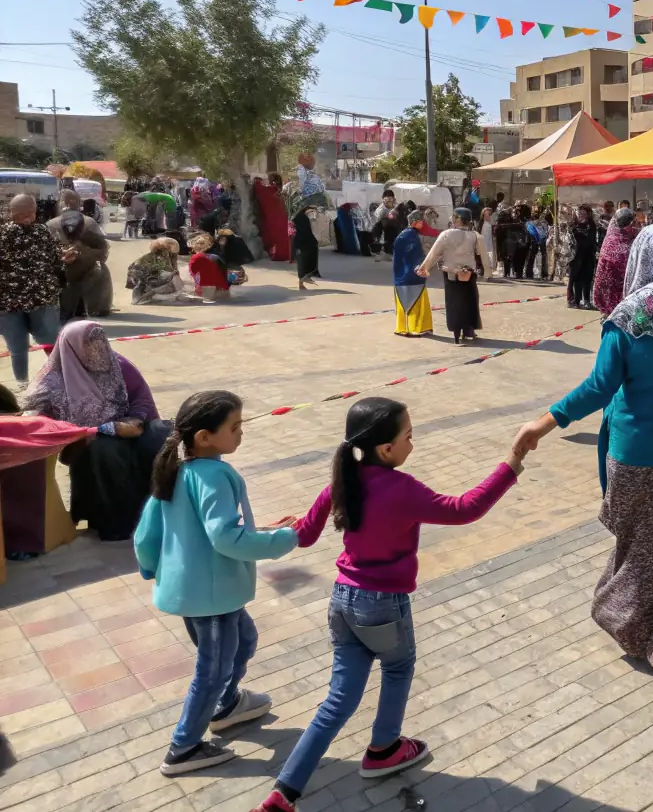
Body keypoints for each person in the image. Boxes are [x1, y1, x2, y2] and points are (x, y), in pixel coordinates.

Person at [248, 398, 520, 811]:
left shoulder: (342, 482)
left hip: (342, 602)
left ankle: (283, 792)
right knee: (397, 666)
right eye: (408, 435)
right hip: (382, 605)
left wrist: (274, 530)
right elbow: (465, 509)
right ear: (386, 449)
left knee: (338, 699)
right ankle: (383, 749)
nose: (413, 442)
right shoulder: (402, 489)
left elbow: (304, 536)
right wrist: (510, 465)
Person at [512, 221, 653, 681]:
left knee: (642, 552)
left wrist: (544, 423)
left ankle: (638, 632)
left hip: (635, 460)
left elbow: (599, 387)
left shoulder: (629, 317)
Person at [134, 391, 298, 775]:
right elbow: (226, 537)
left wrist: (152, 569)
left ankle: (225, 706)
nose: (241, 433)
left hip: (195, 591)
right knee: (213, 667)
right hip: (212, 597)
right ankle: (184, 747)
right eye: (235, 427)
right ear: (205, 436)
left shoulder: (179, 470)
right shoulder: (215, 475)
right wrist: (284, 540)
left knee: (244, 641)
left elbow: (145, 535)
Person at [23, 320, 171, 540]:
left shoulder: (118, 364)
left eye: (101, 342)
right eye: (90, 345)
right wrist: (105, 429)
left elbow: (141, 397)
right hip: (86, 441)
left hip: (129, 427)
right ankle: (119, 524)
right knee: (106, 448)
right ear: (72, 348)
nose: (99, 350)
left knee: (162, 434)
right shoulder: (51, 383)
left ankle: (163, 512)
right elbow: (43, 426)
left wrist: (135, 421)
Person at [0, 193, 63, 388]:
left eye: (30, 212)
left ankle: (43, 384)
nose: (28, 216)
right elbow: (55, 260)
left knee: (37, 347)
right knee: (34, 347)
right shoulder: (9, 234)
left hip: (25, 301)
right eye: (24, 213)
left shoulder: (39, 232)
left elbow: (54, 258)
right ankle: (35, 385)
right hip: (23, 302)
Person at [417, 208, 484, 342]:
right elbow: (482, 255)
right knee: (470, 301)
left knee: (454, 302)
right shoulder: (475, 235)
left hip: (451, 273)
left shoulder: (446, 234)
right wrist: (487, 272)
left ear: (457, 218)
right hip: (469, 273)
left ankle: (456, 332)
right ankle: (468, 330)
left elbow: (434, 253)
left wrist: (424, 267)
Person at [47, 189, 113, 319]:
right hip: (77, 272)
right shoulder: (89, 222)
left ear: (63, 203)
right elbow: (103, 252)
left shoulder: (51, 224)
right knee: (100, 269)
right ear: (77, 203)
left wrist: (74, 254)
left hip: (68, 272)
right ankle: (96, 308)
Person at [592, 206, 641, 316]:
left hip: (610, 300)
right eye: (633, 223)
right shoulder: (618, 242)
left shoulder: (611, 238)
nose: (636, 226)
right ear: (628, 225)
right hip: (619, 298)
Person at [391, 212, 433, 338]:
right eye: (420, 221)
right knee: (414, 300)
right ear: (415, 222)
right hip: (412, 275)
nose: (422, 223)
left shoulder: (405, 235)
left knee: (407, 300)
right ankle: (413, 328)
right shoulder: (410, 236)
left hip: (401, 275)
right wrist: (419, 268)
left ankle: (403, 327)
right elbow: (414, 257)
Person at [292, 152, 325, 289]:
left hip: (305, 211)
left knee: (310, 243)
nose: (313, 162)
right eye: (310, 160)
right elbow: (302, 190)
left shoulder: (308, 174)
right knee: (304, 245)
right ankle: (302, 277)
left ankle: (306, 274)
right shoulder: (301, 172)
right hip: (300, 212)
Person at [127, 236, 189, 305]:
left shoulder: (154, 256)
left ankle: (141, 297)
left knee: (169, 278)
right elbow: (169, 271)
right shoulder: (160, 258)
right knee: (168, 279)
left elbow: (172, 266)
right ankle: (142, 297)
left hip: (140, 274)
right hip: (142, 275)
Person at [188, 233, 238, 301]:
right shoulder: (216, 257)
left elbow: (193, 273)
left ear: (194, 247)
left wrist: (197, 288)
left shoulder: (195, 258)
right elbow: (224, 271)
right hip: (222, 288)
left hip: (205, 288)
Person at [568, 204, 599, 309]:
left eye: (585, 212)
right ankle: (576, 301)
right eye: (580, 212)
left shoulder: (592, 224)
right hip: (576, 256)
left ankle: (586, 300)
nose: (582, 214)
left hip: (588, 255)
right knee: (577, 279)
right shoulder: (573, 225)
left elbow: (593, 239)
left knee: (587, 279)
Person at [374, 190, 404, 262]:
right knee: (388, 227)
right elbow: (378, 221)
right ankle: (386, 251)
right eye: (387, 200)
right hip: (384, 227)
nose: (389, 202)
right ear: (383, 200)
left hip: (396, 226)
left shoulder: (396, 205)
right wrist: (389, 215)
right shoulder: (380, 209)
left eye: (391, 199)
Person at [478, 207, 496, 278]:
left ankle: (489, 271)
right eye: (486, 214)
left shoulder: (491, 222)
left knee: (490, 256)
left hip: (490, 243)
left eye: (489, 214)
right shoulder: (482, 223)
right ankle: (483, 270)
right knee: (484, 256)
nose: (488, 216)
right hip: (483, 243)